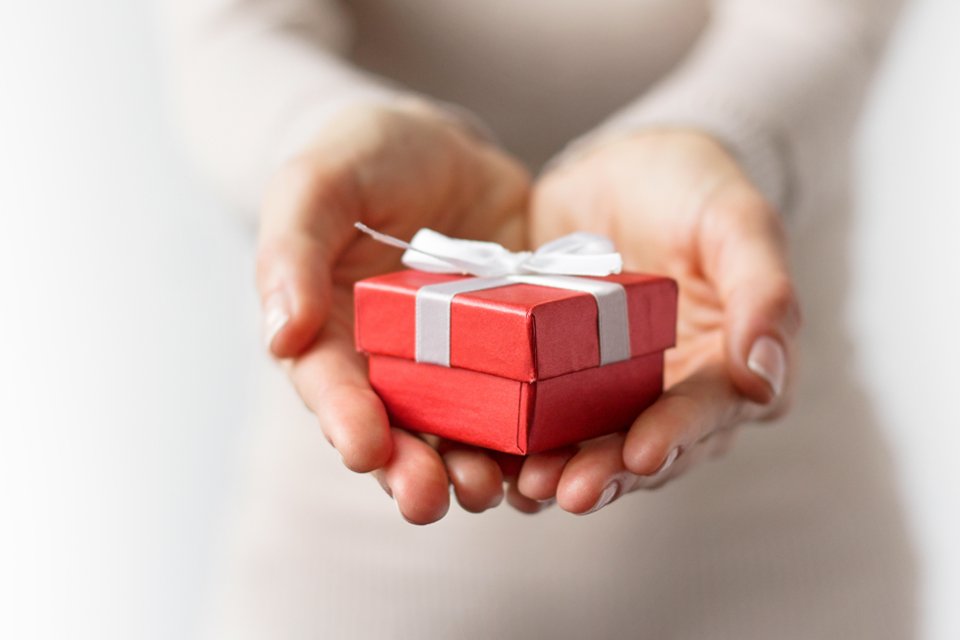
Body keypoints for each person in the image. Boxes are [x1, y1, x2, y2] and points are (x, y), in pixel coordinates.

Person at [161, 1, 917, 637]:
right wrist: (323, 137)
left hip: (788, 563)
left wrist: (712, 139)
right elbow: (233, 32)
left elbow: (820, 25)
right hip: (344, 578)